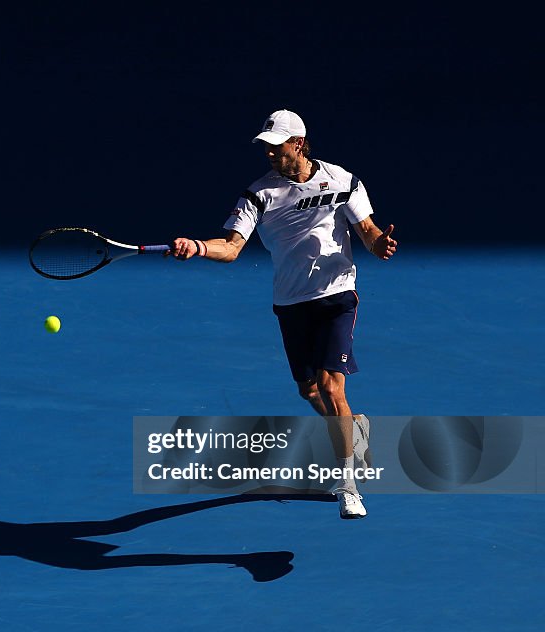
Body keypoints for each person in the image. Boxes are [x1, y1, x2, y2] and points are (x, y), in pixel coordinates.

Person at [168, 109, 397, 519]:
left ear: (299, 143)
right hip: (291, 302)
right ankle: (355, 428)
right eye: (266, 148)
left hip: (336, 295)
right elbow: (232, 247)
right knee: (308, 391)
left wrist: (379, 244)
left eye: (277, 146)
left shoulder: (343, 180)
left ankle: (349, 484)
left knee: (331, 388)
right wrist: (198, 247)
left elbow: (368, 231)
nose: (271, 154)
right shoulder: (259, 194)